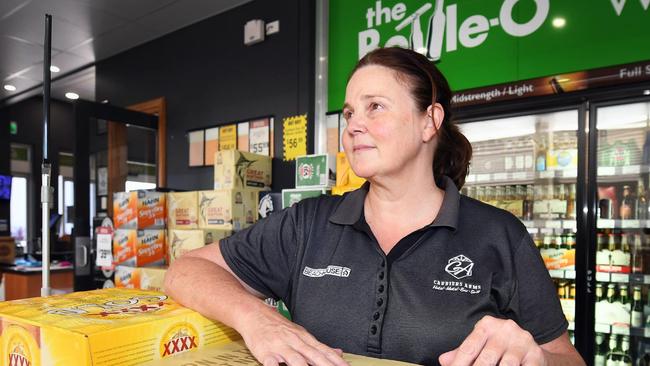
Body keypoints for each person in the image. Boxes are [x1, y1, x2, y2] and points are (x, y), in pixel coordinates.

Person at [164, 47, 585, 366]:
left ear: (429, 121)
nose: (353, 126)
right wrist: (257, 319)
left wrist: (536, 358)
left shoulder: (499, 234)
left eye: (375, 107)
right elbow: (186, 270)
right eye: (348, 114)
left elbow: (568, 359)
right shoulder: (309, 223)